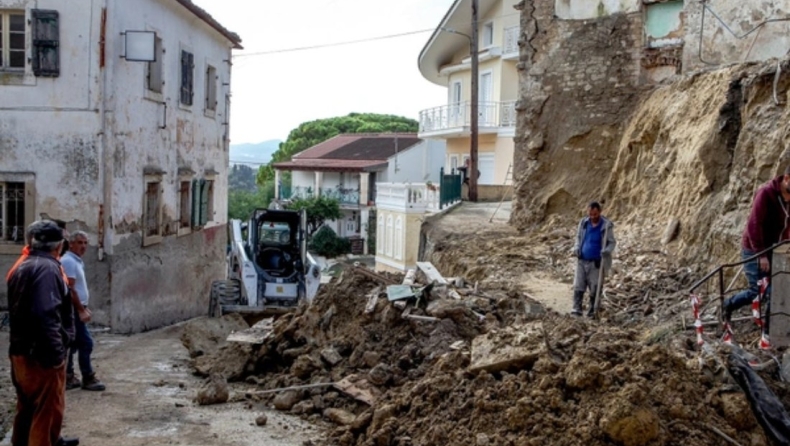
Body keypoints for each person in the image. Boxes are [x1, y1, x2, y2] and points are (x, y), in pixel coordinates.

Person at [7, 220, 76, 446]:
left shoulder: (22, 265)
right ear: (60, 246)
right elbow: (45, 313)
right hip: (42, 355)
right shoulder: (49, 269)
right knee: (45, 412)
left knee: (27, 407)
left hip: (21, 351)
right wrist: (56, 354)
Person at [723, 167, 790, 322]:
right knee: (759, 290)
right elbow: (754, 224)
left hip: (777, 248)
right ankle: (728, 305)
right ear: (786, 178)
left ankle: (770, 327)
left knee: (779, 288)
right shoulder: (766, 193)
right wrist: (761, 255)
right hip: (755, 249)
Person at [61, 231, 105, 391]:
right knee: (86, 343)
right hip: (72, 309)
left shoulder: (75, 260)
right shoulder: (69, 261)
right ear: (71, 244)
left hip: (77, 308)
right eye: (80, 243)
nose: (84, 246)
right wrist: (80, 310)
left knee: (72, 344)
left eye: (85, 243)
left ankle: (68, 377)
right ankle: (88, 377)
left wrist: (84, 307)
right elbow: (70, 289)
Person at [572, 202, 616, 317]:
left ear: (600, 212)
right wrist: (576, 248)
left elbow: (612, 242)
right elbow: (578, 238)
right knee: (579, 284)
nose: (592, 217)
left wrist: (606, 251)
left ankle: (593, 311)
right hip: (582, 260)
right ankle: (577, 309)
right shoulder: (584, 223)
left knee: (595, 287)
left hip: (597, 263)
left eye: (595, 214)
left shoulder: (606, 225)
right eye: (590, 214)